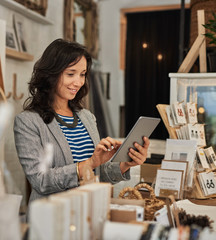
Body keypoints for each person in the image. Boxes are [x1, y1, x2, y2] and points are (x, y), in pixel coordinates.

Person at [13, 38, 149, 205]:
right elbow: (40, 180)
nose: (78, 82)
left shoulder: (86, 117)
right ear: (51, 74)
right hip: (53, 219)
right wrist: (89, 163)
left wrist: (125, 164)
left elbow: (95, 174)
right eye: (71, 74)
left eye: (82, 74)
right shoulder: (28, 122)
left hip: (88, 211)